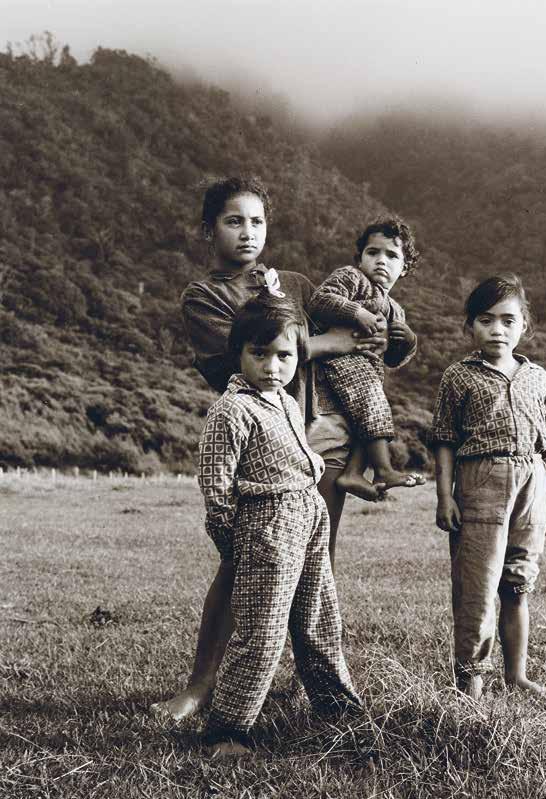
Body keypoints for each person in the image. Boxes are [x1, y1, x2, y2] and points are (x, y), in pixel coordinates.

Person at [150, 176, 383, 723]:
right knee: (240, 562)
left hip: (315, 437)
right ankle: (200, 687)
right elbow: (237, 357)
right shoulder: (204, 296)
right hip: (258, 444)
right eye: (233, 221)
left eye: (256, 221)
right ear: (208, 230)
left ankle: (307, 684)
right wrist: (323, 341)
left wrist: (377, 318)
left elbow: (358, 334)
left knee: (314, 566)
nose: (247, 232)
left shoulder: (297, 284)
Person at [199, 290, 361, 756]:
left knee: (319, 619)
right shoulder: (232, 409)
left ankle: (339, 711)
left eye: (284, 355)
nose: (272, 366)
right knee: (263, 631)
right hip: (266, 525)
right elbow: (216, 486)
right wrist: (235, 542)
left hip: (308, 517)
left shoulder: (286, 402)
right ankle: (228, 730)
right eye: (260, 353)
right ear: (239, 352)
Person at [429, 274, 546, 700]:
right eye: (486, 320)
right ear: (470, 325)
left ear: (524, 325)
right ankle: (470, 684)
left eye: (508, 320)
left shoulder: (537, 377)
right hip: (481, 481)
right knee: (477, 587)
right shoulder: (459, 377)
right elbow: (444, 440)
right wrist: (444, 495)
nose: (497, 330)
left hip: (533, 482)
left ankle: (517, 675)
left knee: (518, 580)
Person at [307, 217, 425, 495]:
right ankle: (383, 469)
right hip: (338, 361)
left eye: (392, 255)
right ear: (360, 258)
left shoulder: (396, 310)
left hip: (369, 373)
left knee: (373, 414)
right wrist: (357, 313)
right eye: (373, 252)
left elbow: (393, 359)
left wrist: (408, 341)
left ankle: (353, 473)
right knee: (373, 407)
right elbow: (320, 300)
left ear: (404, 268)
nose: (381, 260)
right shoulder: (352, 277)